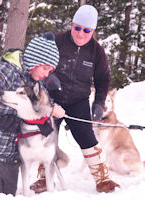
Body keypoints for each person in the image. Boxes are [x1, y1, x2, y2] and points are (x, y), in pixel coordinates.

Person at [30, 5, 120, 193]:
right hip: (52, 98)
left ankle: (102, 179)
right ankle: (44, 178)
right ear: (72, 25)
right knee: (47, 134)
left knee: (86, 137)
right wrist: (48, 78)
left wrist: (98, 103)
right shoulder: (57, 40)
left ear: (92, 30)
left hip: (78, 100)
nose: (80, 33)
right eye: (77, 27)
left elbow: (103, 80)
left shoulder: (97, 52)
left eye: (86, 30)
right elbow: (36, 62)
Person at [0, 32, 65, 198]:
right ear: (35, 61)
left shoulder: (34, 80)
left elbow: (39, 105)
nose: (46, 74)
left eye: (50, 71)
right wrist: (23, 112)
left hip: (12, 162)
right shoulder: (3, 71)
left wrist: (52, 108)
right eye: (45, 68)